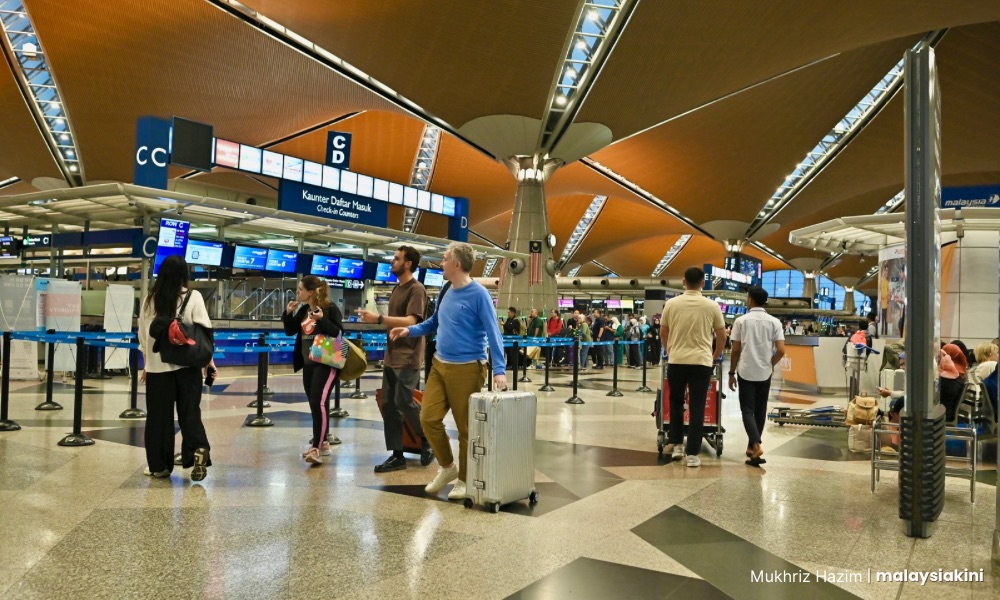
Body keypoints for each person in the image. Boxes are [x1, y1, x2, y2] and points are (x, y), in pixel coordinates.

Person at [389, 242, 507, 500]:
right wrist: (409, 330)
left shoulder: (479, 295)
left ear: (457, 264)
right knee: (428, 418)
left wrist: (499, 369)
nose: (440, 263)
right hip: (439, 364)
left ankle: (465, 479)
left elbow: (493, 333)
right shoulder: (446, 289)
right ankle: (448, 466)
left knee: (465, 428)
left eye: (444, 259)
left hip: (467, 367)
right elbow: (434, 322)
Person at [356, 246, 433, 473]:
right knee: (389, 405)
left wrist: (379, 318)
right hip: (392, 355)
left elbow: (411, 321)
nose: (392, 261)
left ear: (408, 264)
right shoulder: (397, 288)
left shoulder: (416, 289)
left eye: (397, 258)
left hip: (408, 355)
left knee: (404, 401)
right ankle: (397, 454)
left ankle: (428, 439)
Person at [137, 254, 213, 481]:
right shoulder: (193, 296)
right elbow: (204, 332)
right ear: (184, 275)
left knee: (158, 418)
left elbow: (144, 336)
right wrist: (208, 361)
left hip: (158, 370)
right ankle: (198, 449)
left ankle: (159, 466)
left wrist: (147, 363)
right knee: (190, 413)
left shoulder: (150, 299)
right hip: (188, 367)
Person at [661, 267, 726, 467]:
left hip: (677, 361)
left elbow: (663, 331)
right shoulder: (712, 306)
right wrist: (714, 356)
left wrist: (669, 350)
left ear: (683, 282)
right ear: (703, 283)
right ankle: (692, 454)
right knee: (697, 406)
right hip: (701, 362)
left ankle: (677, 445)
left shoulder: (671, 304)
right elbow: (722, 336)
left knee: (676, 403)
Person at [283, 275, 344, 465]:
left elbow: (338, 332)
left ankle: (316, 447)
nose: (298, 292)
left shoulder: (329, 308)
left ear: (310, 292)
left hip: (326, 362)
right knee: (315, 403)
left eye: (301, 289)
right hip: (308, 363)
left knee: (319, 402)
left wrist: (322, 319)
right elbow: (290, 331)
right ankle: (322, 442)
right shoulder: (303, 310)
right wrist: (288, 313)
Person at [727, 286, 785, 467]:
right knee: (760, 410)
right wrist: (771, 364)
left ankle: (757, 445)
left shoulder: (741, 321)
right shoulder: (775, 322)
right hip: (764, 372)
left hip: (745, 371)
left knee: (747, 409)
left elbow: (735, 350)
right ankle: (752, 448)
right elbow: (781, 350)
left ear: (750, 299)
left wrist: (731, 373)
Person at [503, 306, 525, 373]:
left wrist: (504, 325)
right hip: (508, 339)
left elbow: (510, 328)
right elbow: (507, 328)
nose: (508, 313)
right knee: (508, 352)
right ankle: (508, 364)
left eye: (509, 312)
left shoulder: (516, 321)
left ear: (513, 313)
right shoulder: (508, 320)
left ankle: (512, 365)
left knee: (512, 352)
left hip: (514, 339)